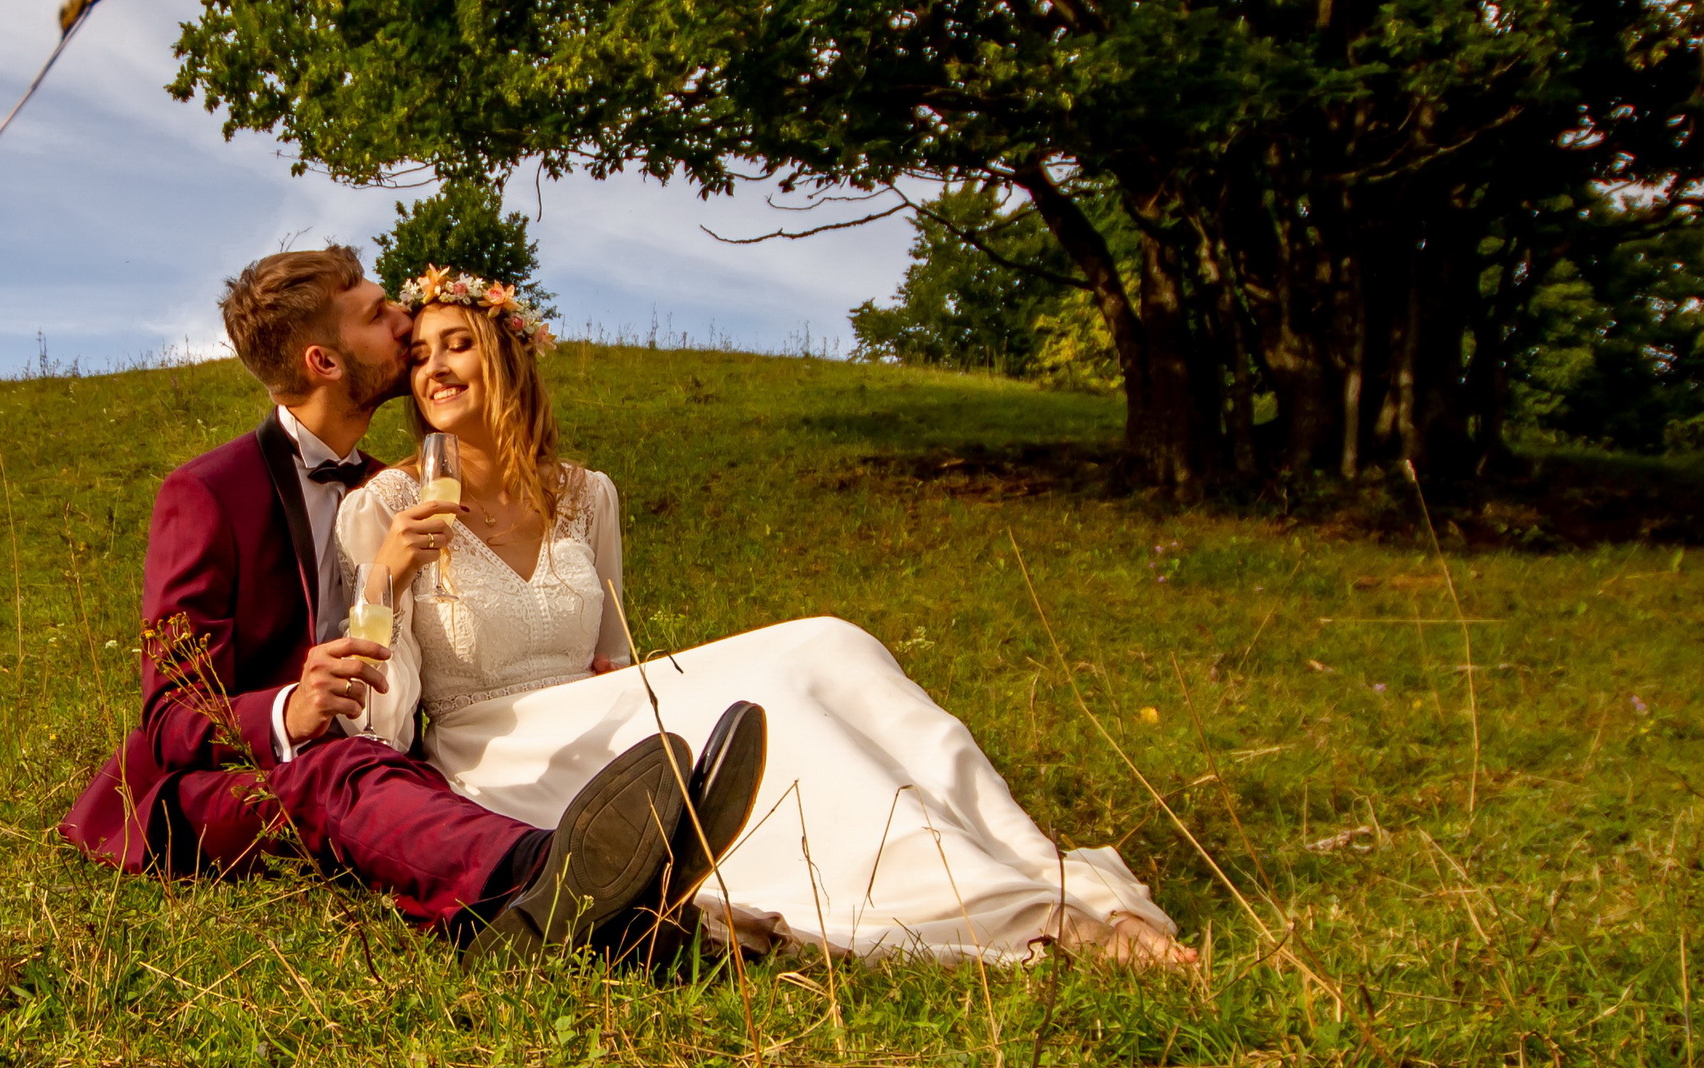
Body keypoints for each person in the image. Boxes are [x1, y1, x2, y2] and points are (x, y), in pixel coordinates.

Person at [336, 267, 1197, 965]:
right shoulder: (387, 504)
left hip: (605, 705)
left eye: (459, 344)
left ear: (509, 357)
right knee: (783, 724)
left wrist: (652, 695)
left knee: (828, 644)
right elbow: (378, 720)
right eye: (421, 355)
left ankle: (1032, 869)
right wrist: (385, 576)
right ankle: (1020, 914)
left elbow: (613, 654)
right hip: (498, 744)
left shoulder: (585, 495)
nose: (434, 368)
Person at [61, 245, 760, 956]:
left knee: (392, 773)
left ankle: (633, 910)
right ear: (324, 361)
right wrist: (290, 710)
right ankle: (546, 873)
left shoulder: (390, 490)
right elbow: (169, 712)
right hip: (234, 783)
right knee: (343, 771)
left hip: (389, 763)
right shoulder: (209, 492)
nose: (402, 318)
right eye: (377, 315)